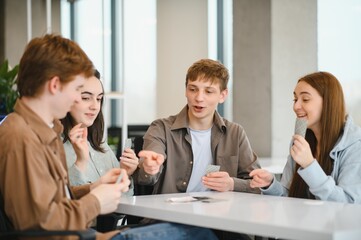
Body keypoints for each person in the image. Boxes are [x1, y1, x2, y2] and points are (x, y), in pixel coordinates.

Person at [0, 34, 218, 240]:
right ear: (55, 85)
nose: (78, 98)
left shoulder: (39, 132)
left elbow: (55, 204)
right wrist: (95, 202)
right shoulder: (21, 139)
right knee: (198, 233)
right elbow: (41, 228)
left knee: (197, 230)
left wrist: (93, 189)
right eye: (77, 89)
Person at [250, 71, 361, 203]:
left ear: (328, 103)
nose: (296, 106)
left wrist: (309, 165)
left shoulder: (355, 145)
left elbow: (349, 203)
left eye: (305, 99)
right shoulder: (300, 142)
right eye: (295, 99)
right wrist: (270, 184)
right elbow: (289, 196)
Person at [61, 70, 137, 196]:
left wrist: (124, 173)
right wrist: (80, 162)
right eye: (86, 98)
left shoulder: (99, 143)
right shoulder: (53, 145)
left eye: (99, 99)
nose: (95, 106)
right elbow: (65, 200)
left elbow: (124, 201)